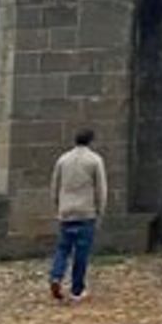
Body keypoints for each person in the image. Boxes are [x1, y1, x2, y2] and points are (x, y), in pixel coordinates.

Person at [48, 129, 108, 303]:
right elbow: (101, 190)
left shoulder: (63, 159)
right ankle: (76, 290)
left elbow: (55, 186)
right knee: (81, 252)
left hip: (66, 211)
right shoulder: (95, 160)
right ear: (91, 141)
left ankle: (56, 276)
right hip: (86, 211)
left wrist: (58, 206)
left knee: (63, 248)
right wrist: (100, 211)